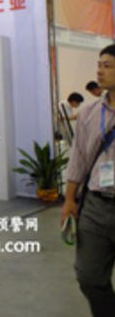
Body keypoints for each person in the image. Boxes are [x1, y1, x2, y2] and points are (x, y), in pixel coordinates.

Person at [62, 44, 115, 316]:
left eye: (108, 65)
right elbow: (78, 158)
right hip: (95, 204)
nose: (100, 71)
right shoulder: (89, 113)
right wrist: (70, 199)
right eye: (99, 65)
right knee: (89, 277)